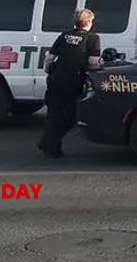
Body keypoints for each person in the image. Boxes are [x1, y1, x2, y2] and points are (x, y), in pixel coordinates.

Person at [38, 8, 101, 158]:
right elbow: (93, 63)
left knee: (54, 114)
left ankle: (49, 145)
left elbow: (50, 57)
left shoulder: (64, 35)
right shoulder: (93, 38)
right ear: (89, 22)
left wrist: (49, 71)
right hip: (73, 81)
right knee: (71, 116)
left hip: (55, 79)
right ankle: (50, 143)